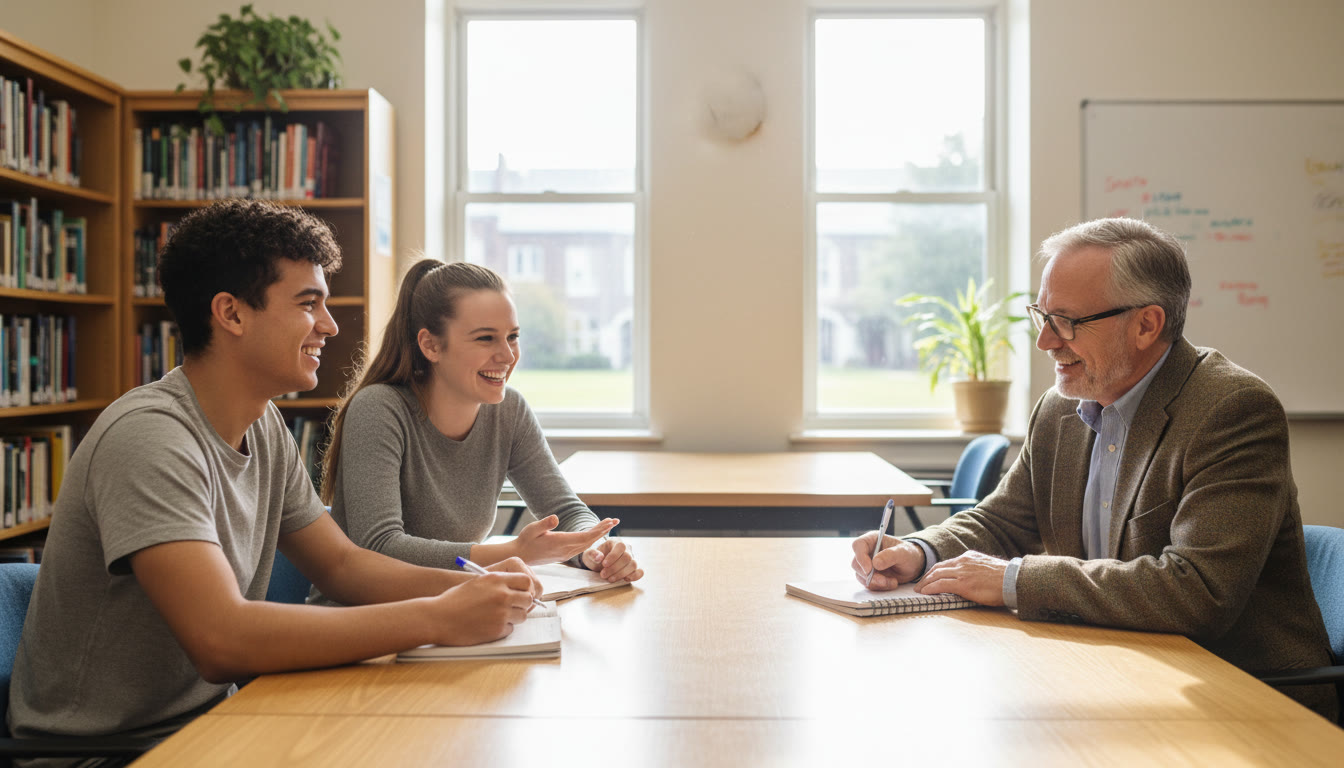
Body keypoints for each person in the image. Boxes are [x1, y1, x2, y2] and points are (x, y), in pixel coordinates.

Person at [7, 201, 543, 759]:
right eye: (308, 303)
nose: (330, 326)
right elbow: (222, 639)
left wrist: (484, 587)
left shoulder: (262, 425)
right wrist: (437, 617)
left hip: (212, 722)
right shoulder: (150, 438)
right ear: (232, 314)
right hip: (108, 752)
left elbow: (342, 566)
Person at [851, 217, 1336, 719]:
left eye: (1067, 322)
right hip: (1114, 673)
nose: (1045, 342)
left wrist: (1015, 579)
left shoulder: (1232, 410)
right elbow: (1003, 520)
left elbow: (1198, 591)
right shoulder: (1060, 408)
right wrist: (918, 550)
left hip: (1244, 698)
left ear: (1147, 324)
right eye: (1041, 316)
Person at [312, 259, 641, 606]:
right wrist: (513, 552)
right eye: (486, 338)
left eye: (512, 337)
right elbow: (379, 546)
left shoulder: (509, 411)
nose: (507, 355)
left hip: (451, 611)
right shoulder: (379, 408)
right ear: (431, 346)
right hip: (362, 620)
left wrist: (594, 549)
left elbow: (567, 510)